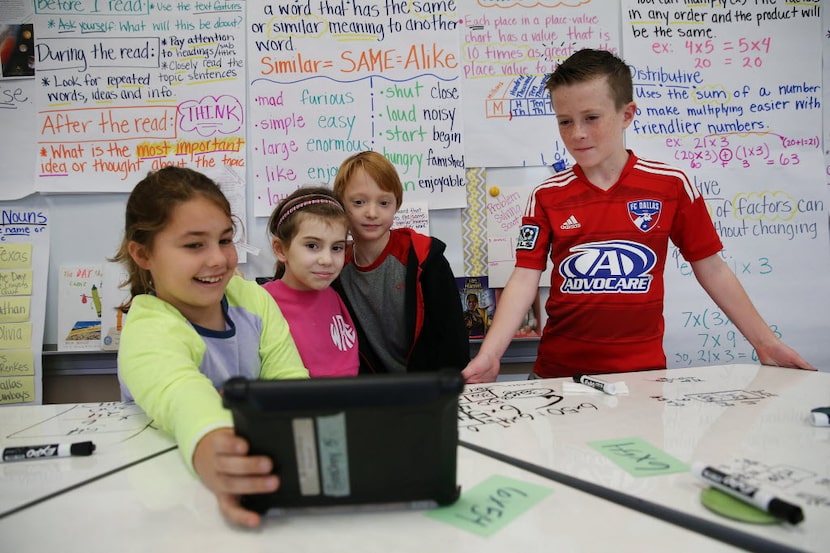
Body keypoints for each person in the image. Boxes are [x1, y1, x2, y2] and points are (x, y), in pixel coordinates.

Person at [462, 48, 816, 383]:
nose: (577, 133)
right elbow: (525, 277)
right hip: (557, 375)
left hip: (642, 379)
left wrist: (764, 342)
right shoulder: (546, 195)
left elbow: (712, 267)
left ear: (626, 114)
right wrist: (492, 354)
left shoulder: (671, 185)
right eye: (565, 121)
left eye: (591, 118)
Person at [114, 167, 309, 528]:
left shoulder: (254, 300)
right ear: (143, 254)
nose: (218, 259)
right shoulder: (147, 327)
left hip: (256, 467)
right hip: (173, 490)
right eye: (193, 245)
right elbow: (182, 393)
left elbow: (290, 382)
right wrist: (212, 443)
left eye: (225, 239)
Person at [332, 150, 470, 373]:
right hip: (373, 398)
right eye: (358, 202)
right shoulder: (335, 269)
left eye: (384, 202)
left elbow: (452, 339)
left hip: (429, 391)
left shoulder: (425, 259)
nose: (372, 212)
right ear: (341, 205)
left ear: (397, 205)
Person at [262, 186, 359, 377]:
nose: (327, 260)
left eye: (337, 247)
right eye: (312, 246)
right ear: (281, 249)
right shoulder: (263, 303)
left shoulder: (334, 295)